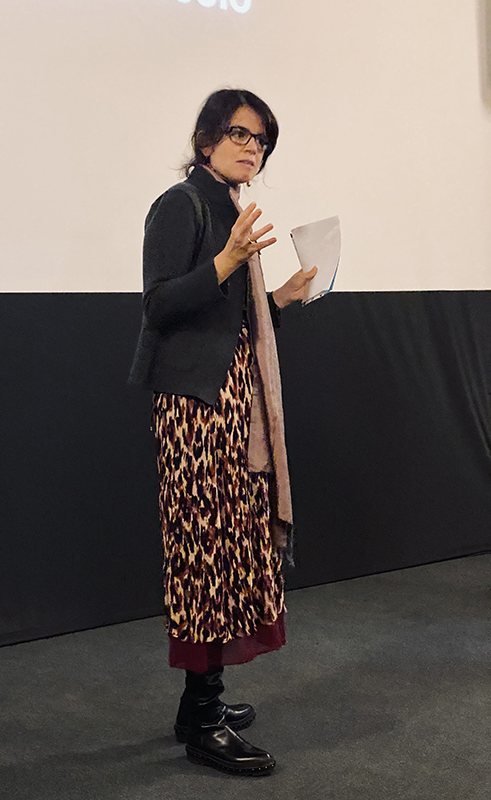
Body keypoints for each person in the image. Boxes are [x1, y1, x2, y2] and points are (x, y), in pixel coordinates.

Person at [129, 88, 317, 776]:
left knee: (229, 547)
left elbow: (224, 322)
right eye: (240, 133)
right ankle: (204, 723)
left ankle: (198, 705)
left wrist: (278, 300)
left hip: (233, 406)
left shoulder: (229, 208)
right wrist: (230, 260)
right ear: (206, 138)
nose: (252, 147)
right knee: (204, 554)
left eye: (261, 140)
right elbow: (159, 304)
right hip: (194, 410)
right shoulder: (181, 204)